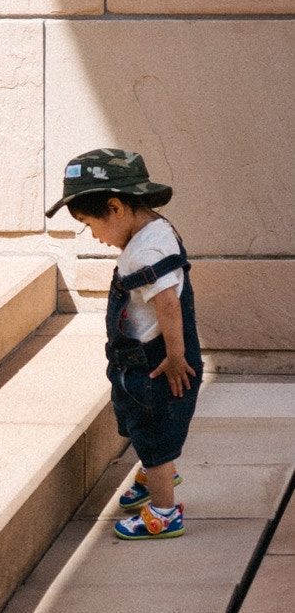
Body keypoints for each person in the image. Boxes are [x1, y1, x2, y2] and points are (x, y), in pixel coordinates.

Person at [47, 148, 201, 540]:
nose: (94, 236)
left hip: (156, 360)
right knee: (142, 422)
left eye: (90, 224)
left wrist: (175, 356)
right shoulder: (154, 231)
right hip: (141, 357)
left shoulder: (146, 251)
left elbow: (168, 303)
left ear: (115, 207)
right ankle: (156, 474)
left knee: (154, 432)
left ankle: (164, 511)